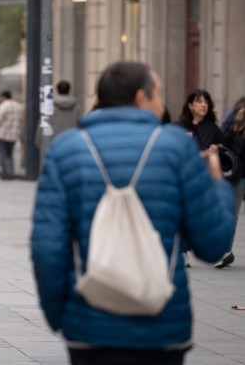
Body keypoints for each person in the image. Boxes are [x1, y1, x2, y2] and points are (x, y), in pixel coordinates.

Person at [31, 61, 234, 365]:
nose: (162, 104)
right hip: (162, 329)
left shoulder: (66, 150)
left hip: (88, 328)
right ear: (141, 98)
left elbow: (47, 249)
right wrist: (217, 180)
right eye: (159, 95)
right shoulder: (176, 147)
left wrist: (61, 317)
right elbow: (214, 245)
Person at [220, 102, 245, 268]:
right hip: (238, 175)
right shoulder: (236, 122)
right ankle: (225, 251)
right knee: (232, 213)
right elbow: (224, 146)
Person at [175, 89, 223, 153]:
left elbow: (222, 146)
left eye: (206, 102)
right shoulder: (179, 125)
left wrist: (217, 149)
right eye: (199, 102)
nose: (204, 105)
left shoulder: (212, 127)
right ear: (190, 106)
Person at [0, 91, 24, 180]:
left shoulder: (3, 106)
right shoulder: (19, 106)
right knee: (10, 154)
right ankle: (11, 173)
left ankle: (5, 174)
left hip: (3, 133)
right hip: (14, 134)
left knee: (3, 154)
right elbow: (21, 120)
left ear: (3, 97)